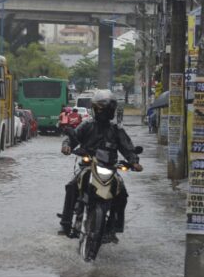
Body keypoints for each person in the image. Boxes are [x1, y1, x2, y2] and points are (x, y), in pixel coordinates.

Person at [58, 89, 142, 243]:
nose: (104, 113)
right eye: (101, 109)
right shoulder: (86, 125)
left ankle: (113, 228)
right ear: (95, 109)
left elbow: (127, 148)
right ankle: (66, 223)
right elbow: (72, 138)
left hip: (110, 169)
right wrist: (67, 146)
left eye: (107, 110)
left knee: (122, 193)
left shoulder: (117, 130)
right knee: (71, 186)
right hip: (88, 167)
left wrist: (134, 161)